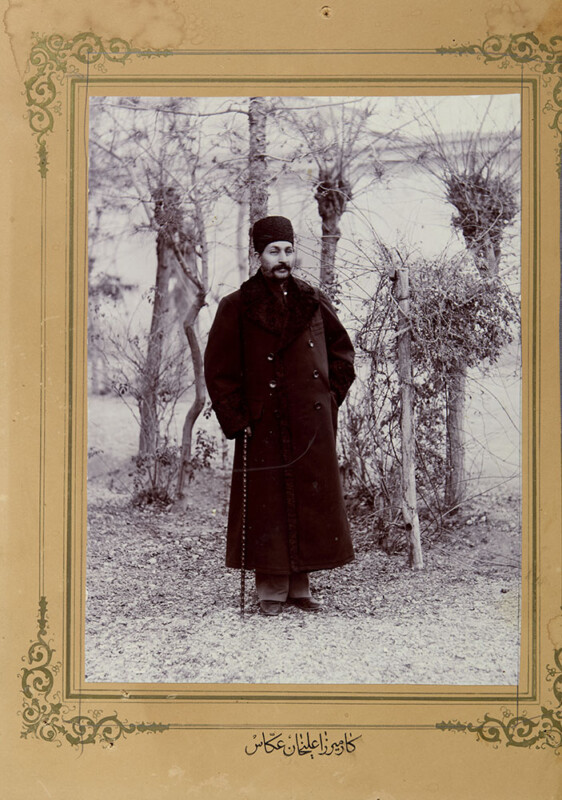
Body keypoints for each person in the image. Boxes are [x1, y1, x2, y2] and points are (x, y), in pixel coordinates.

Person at [204, 216, 355, 616]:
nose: (283, 258)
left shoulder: (313, 299)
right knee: (269, 505)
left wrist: (326, 399)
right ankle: (270, 591)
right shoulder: (236, 306)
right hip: (263, 424)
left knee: (308, 501)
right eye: (274, 251)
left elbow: (343, 355)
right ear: (258, 256)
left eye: (288, 250)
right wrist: (239, 419)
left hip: (310, 423)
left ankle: (300, 588)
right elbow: (218, 371)